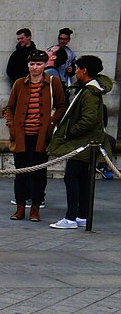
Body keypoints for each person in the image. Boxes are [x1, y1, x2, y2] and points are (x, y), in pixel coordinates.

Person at [48, 55, 112, 229]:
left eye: (78, 69)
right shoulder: (88, 89)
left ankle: (71, 217)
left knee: (72, 178)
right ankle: (82, 214)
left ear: (84, 70)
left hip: (82, 143)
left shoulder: (90, 93)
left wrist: (69, 132)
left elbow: (88, 119)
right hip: (86, 143)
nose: (75, 72)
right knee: (82, 179)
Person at [2, 49, 65, 221]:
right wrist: (11, 123)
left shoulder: (53, 82)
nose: (35, 67)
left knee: (38, 174)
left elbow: (61, 105)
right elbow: (9, 107)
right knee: (21, 173)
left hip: (41, 136)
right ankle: (20, 207)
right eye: (32, 64)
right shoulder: (19, 83)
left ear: (45, 65)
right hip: (21, 135)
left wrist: (52, 121)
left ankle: (35, 207)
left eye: (38, 64)